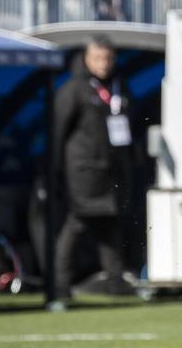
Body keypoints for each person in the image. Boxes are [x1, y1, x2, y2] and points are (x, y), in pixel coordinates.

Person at [51, 37, 136, 310]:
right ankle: (60, 284)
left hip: (112, 172)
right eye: (98, 58)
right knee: (77, 224)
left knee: (110, 226)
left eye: (108, 58)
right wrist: (55, 169)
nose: (103, 64)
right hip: (83, 170)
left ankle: (116, 281)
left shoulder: (119, 86)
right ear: (86, 59)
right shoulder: (73, 89)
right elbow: (58, 131)